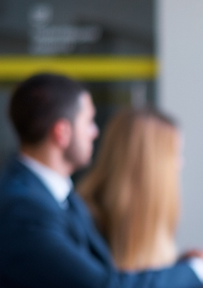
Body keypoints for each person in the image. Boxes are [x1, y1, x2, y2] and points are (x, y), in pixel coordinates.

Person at [0, 74, 203, 288]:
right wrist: (198, 271)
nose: (95, 132)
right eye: (88, 122)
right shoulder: (23, 208)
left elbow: (105, 274)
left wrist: (177, 268)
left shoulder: (54, 193)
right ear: (62, 133)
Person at [77, 108, 184, 271]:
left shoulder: (154, 221)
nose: (179, 164)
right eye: (174, 154)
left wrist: (183, 265)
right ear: (148, 164)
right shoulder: (81, 221)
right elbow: (114, 287)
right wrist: (196, 271)